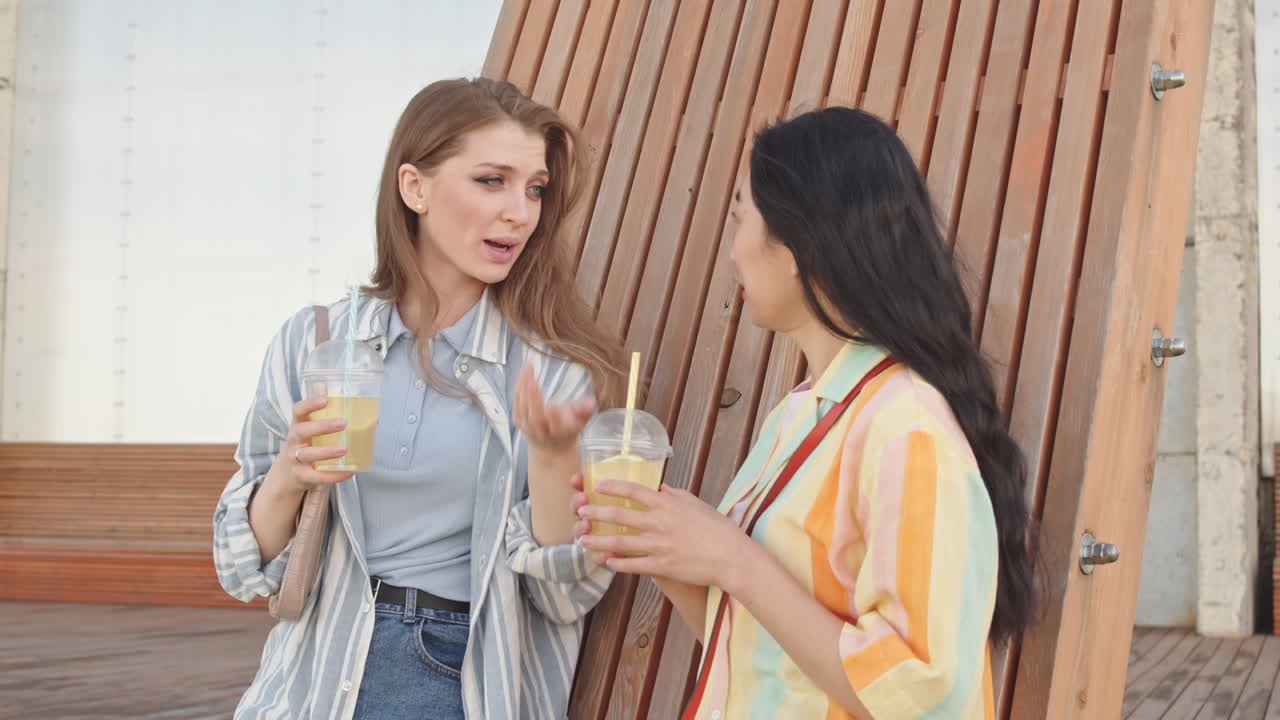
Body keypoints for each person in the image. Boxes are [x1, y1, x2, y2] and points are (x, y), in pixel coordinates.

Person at [573, 107, 1038, 719]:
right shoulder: (801, 413)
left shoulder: (908, 426)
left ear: (794, 244)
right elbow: (757, 641)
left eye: (741, 216)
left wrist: (731, 558)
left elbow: (921, 685)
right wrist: (662, 548)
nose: (734, 251)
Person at [214, 77, 624, 720]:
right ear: (415, 188)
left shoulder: (550, 373)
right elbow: (243, 570)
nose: (520, 211)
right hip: (309, 677)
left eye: (535, 188)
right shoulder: (314, 343)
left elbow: (566, 598)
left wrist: (551, 458)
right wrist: (290, 476)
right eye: (492, 180)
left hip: (452, 673)